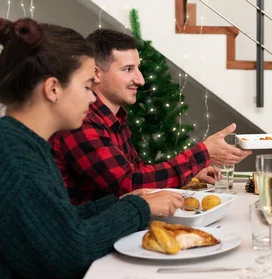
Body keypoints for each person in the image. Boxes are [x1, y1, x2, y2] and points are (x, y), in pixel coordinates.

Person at [0, 18, 184, 279]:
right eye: (87, 86)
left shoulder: (24, 145)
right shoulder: (16, 159)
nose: (91, 99)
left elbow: (57, 222)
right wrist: (138, 209)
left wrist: (120, 202)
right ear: (53, 89)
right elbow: (69, 251)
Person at [49, 29, 251, 204]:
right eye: (128, 69)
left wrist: (189, 173)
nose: (141, 80)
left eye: (138, 68)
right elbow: (128, 184)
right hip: (93, 239)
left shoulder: (115, 116)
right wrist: (203, 153)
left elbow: (138, 170)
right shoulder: (81, 121)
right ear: (96, 73)